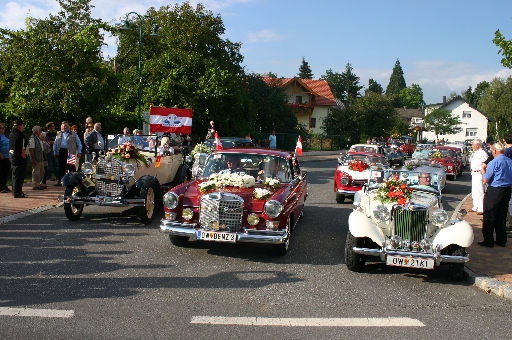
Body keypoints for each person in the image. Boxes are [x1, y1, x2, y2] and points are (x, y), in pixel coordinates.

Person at [478, 142, 512, 248]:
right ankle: (501, 239)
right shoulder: (510, 161)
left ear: (495, 151)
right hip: (506, 190)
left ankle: (488, 240)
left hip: (495, 189)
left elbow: (486, 179)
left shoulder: (494, 162)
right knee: (501, 215)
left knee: (489, 214)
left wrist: (483, 172)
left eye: (492, 150)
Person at [53, 121, 82, 186]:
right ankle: (60, 181)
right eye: (64, 126)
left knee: (71, 167)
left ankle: (73, 181)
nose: (65, 127)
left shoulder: (73, 133)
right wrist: (54, 152)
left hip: (71, 152)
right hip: (61, 151)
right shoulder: (59, 133)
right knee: (61, 167)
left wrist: (79, 152)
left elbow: (79, 143)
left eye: (66, 126)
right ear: (61, 127)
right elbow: (55, 143)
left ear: (69, 126)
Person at [467, 139, 489, 215]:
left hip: (479, 173)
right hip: (474, 172)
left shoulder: (482, 153)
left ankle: (481, 208)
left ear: (477, 145)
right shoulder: (475, 153)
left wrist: (482, 170)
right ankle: (475, 206)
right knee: (475, 190)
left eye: (473, 144)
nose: (472, 146)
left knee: (480, 190)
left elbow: (485, 163)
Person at [9, 119, 28, 198]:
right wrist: (24, 157)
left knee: (15, 175)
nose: (23, 127)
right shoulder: (20, 135)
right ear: (20, 126)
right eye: (22, 125)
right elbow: (22, 149)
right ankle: (17, 192)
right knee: (19, 176)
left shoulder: (12, 134)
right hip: (19, 157)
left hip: (12, 156)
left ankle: (15, 191)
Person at [28, 125, 47, 190]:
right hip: (37, 158)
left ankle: (40, 183)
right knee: (36, 171)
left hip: (41, 157)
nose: (40, 131)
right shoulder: (32, 138)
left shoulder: (38, 137)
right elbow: (31, 150)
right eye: (39, 130)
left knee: (41, 171)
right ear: (36, 131)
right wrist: (33, 159)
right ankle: (35, 184)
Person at [0, 122, 11, 193]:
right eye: (2, 128)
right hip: (2, 157)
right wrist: (0, 155)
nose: (4, 129)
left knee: (6, 172)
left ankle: (4, 185)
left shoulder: (4, 136)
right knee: (1, 172)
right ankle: (1, 187)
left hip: (8, 157)